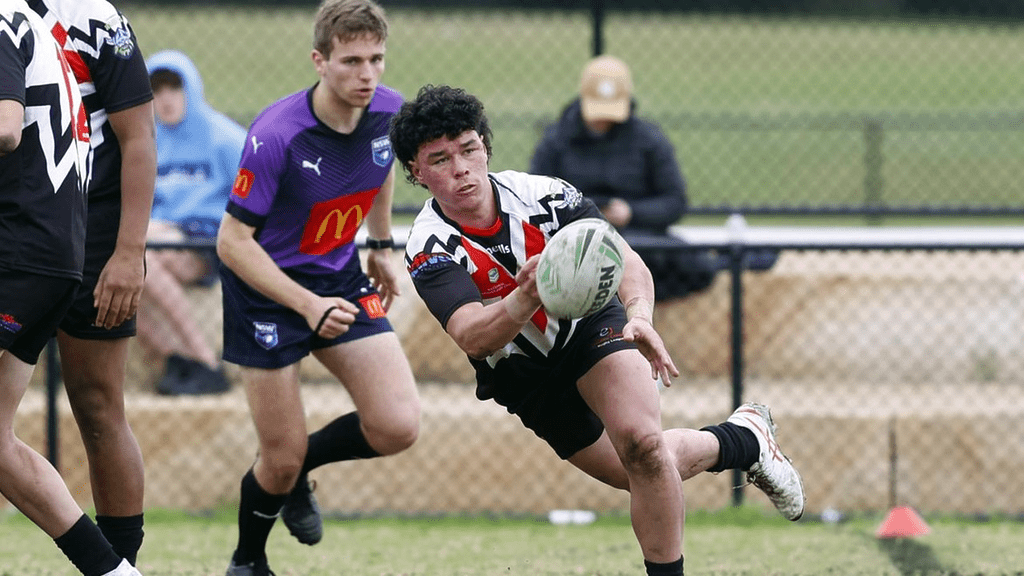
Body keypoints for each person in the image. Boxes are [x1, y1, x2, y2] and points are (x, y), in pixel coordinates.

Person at [392, 84, 805, 576]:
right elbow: (473, 335)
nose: (460, 168)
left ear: (485, 144)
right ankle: (745, 440)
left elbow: (624, 257)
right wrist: (528, 294)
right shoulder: (429, 244)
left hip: (589, 327)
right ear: (416, 172)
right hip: (523, 372)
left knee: (643, 446)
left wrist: (638, 315)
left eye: (469, 149)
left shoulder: (543, 195)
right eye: (439, 159)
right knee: (637, 472)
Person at [215, 1, 419, 574]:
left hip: (341, 278)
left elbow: (381, 168)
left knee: (398, 424)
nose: (367, 74)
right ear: (319, 61)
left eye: (376, 59)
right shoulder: (276, 134)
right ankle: (247, 562)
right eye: (351, 60)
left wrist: (379, 245)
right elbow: (231, 244)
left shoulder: (389, 111)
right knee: (277, 460)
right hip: (267, 289)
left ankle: (302, 467)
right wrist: (305, 305)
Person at [0, 2, 141, 575]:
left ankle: (119, 562)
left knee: (99, 403)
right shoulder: (21, 17)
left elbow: (7, 128)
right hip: (44, 244)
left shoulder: (35, 17)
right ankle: (113, 571)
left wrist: (130, 252)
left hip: (34, 247)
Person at [530, 55, 776, 301]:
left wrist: (631, 212)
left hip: (638, 237)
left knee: (696, 266)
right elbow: (537, 199)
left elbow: (674, 201)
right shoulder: (555, 140)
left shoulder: (648, 139)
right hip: (574, 242)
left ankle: (638, 298)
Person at [141, 49, 246, 395]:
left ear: (191, 89)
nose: (166, 99)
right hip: (157, 239)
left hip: (207, 241)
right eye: (157, 91)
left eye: (175, 89)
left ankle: (203, 360)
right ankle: (177, 359)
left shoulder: (224, 138)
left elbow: (258, 198)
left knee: (138, 255)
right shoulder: (146, 143)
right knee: (112, 270)